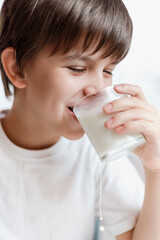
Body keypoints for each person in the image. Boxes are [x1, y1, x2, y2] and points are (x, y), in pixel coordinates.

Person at [0, 0, 160, 239]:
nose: (98, 88)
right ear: (17, 68)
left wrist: (155, 170)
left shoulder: (96, 154)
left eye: (108, 71)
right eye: (77, 68)